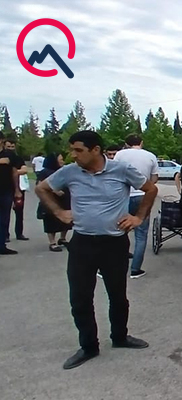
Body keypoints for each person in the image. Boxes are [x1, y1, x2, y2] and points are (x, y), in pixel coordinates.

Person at [35, 130, 158, 370]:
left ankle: (120, 336)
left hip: (114, 244)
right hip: (82, 243)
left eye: (78, 150)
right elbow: (42, 189)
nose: (73, 155)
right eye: (71, 150)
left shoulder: (121, 169)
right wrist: (59, 212)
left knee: (117, 296)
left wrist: (138, 217)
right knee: (80, 298)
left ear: (96, 150)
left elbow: (150, 189)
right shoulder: (70, 172)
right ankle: (89, 346)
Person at [113, 135, 159, 278]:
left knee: (118, 231)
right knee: (141, 234)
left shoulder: (120, 155)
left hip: (124, 196)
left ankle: (112, 266)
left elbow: (113, 173)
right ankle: (135, 269)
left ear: (126, 144)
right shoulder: (150, 156)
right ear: (141, 143)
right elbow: (154, 178)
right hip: (143, 196)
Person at [36, 153, 72, 252]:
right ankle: (52, 242)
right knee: (51, 220)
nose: (62, 161)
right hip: (52, 199)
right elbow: (39, 185)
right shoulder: (45, 172)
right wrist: (55, 191)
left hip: (64, 199)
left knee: (67, 219)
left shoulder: (62, 170)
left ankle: (62, 238)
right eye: (60, 159)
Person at [0, 133, 23, 255]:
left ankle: (1, 245)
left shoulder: (9, 155)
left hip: (6, 190)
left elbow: (14, 173)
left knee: (4, 219)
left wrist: (17, 190)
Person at [3, 139, 29, 242]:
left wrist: (11, 171)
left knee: (19, 211)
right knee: (5, 213)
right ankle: (5, 234)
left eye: (12, 147)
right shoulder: (3, 156)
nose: (10, 149)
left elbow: (25, 170)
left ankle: (19, 233)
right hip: (5, 188)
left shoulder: (17, 158)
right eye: (8, 146)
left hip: (18, 187)